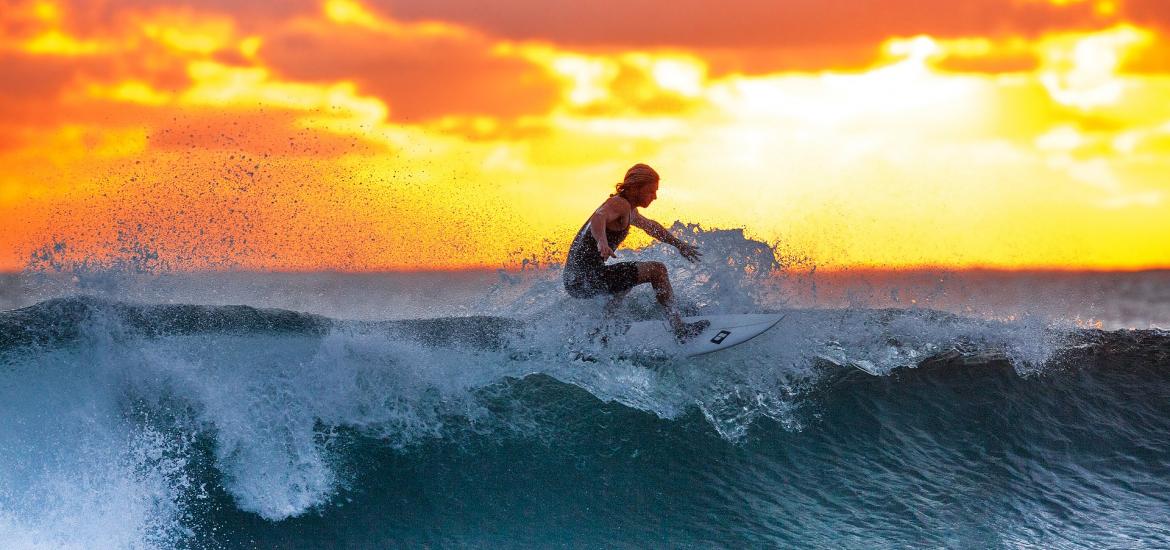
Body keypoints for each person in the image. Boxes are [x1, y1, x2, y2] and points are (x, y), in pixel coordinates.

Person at [563, 163, 709, 342]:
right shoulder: (619, 204)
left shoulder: (628, 209)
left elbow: (652, 227)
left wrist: (679, 244)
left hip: (576, 280)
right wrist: (601, 241)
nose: (654, 197)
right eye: (651, 191)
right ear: (634, 188)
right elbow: (598, 216)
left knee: (628, 278)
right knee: (657, 270)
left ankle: (601, 334)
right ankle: (679, 329)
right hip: (585, 278)